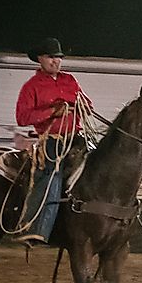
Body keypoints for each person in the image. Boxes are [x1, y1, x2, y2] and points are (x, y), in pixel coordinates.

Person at [14, 37, 92, 246]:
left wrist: (80, 106)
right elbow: (22, 117)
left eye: (58, 57)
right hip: (52, 141)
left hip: (76, 138)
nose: (55, 61)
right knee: (50, 175)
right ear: (40, 59)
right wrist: (52, 112)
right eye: (51, 57)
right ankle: (36, 229)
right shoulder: (31, 86)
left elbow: (88, 105)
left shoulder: (70, 80)